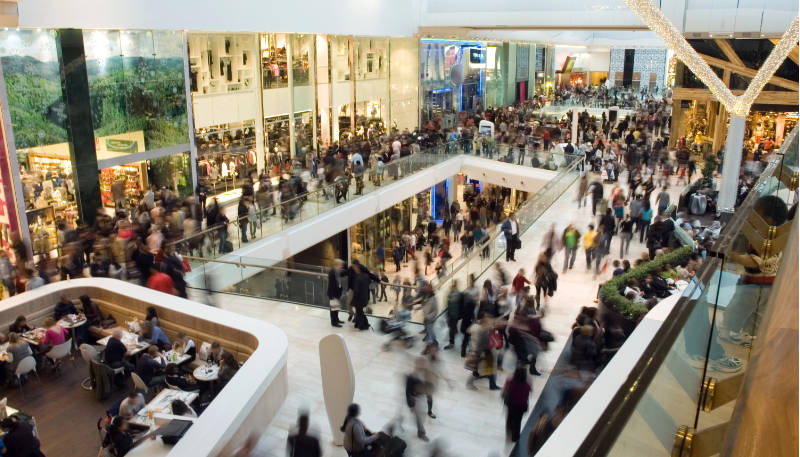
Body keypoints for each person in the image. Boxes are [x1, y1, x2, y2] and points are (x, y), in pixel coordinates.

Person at [503, 367, 532, 442]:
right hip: (522, 405)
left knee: (509, 418)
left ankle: (509, 432)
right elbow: (530, 391)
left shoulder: (510, 382)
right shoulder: (527, 385)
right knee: (518, 421)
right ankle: (515, 437)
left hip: (511, 404)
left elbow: (505, 391)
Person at [327, 259, 345, 327]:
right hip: (333, 294)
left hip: (337, 293)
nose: (342, 266)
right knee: (333, 309)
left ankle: (336, 319)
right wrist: (333, 295)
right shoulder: (332, 272)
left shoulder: (337, 271)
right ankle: (334, 322)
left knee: (336, 308)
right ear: (337, 264)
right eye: (341, 265)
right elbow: (331, 285)